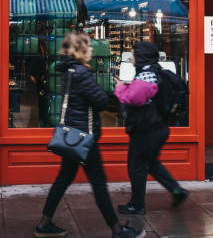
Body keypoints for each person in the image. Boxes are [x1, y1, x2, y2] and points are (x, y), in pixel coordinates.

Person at [35, 32, 144, 238]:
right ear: (81, 50)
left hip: (72, 135)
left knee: (63, 179)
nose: (92, 49)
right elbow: (101, 101)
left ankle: (44, 223)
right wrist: (114, 87)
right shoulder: (82, 73)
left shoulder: (67, 69)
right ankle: (117, 230)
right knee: (98, 183)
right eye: (89, 46)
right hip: (84, 137)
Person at [114, 41, 188, 216]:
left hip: (147, 131)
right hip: (157, 128)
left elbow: (133, 99)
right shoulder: (154, 71)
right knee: (152, 164)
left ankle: (137, 205)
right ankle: (178, 191)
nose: (131, 57)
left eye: (133, 53)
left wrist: (119, 88)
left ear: (141, 56)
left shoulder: (147, 75)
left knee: (136, 167)